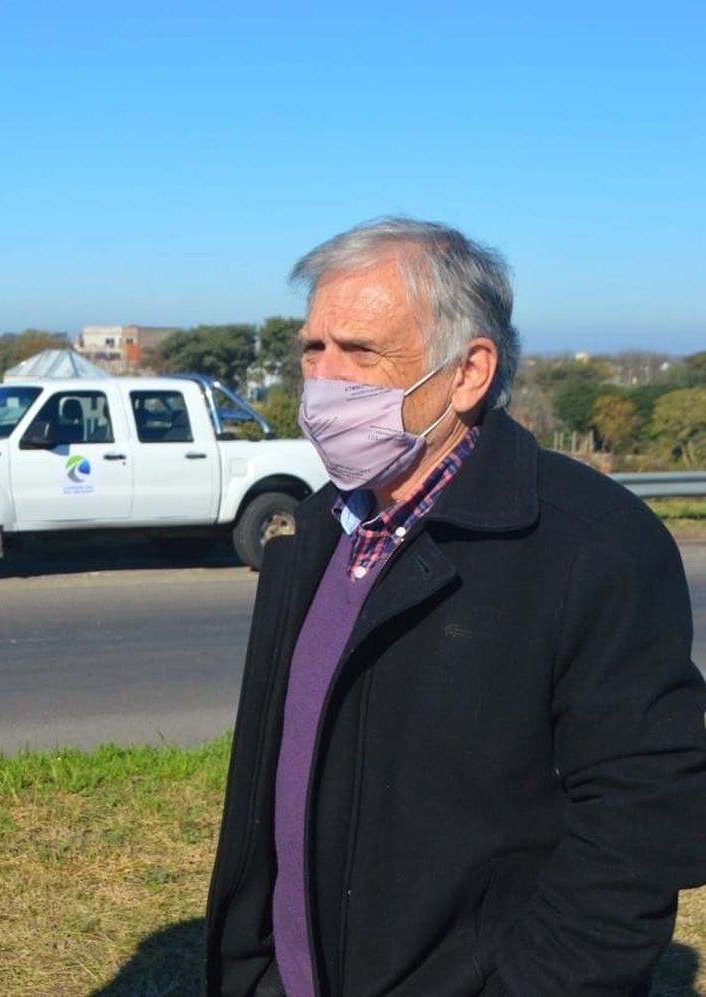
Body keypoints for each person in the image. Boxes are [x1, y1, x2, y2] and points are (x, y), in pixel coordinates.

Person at [204, 217, 706, 996]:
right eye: (313, 349)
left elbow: (637, 830)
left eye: (361, 351)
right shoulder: (312, 530)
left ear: (469, 371)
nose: (323, 382)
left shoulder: (593, 546)